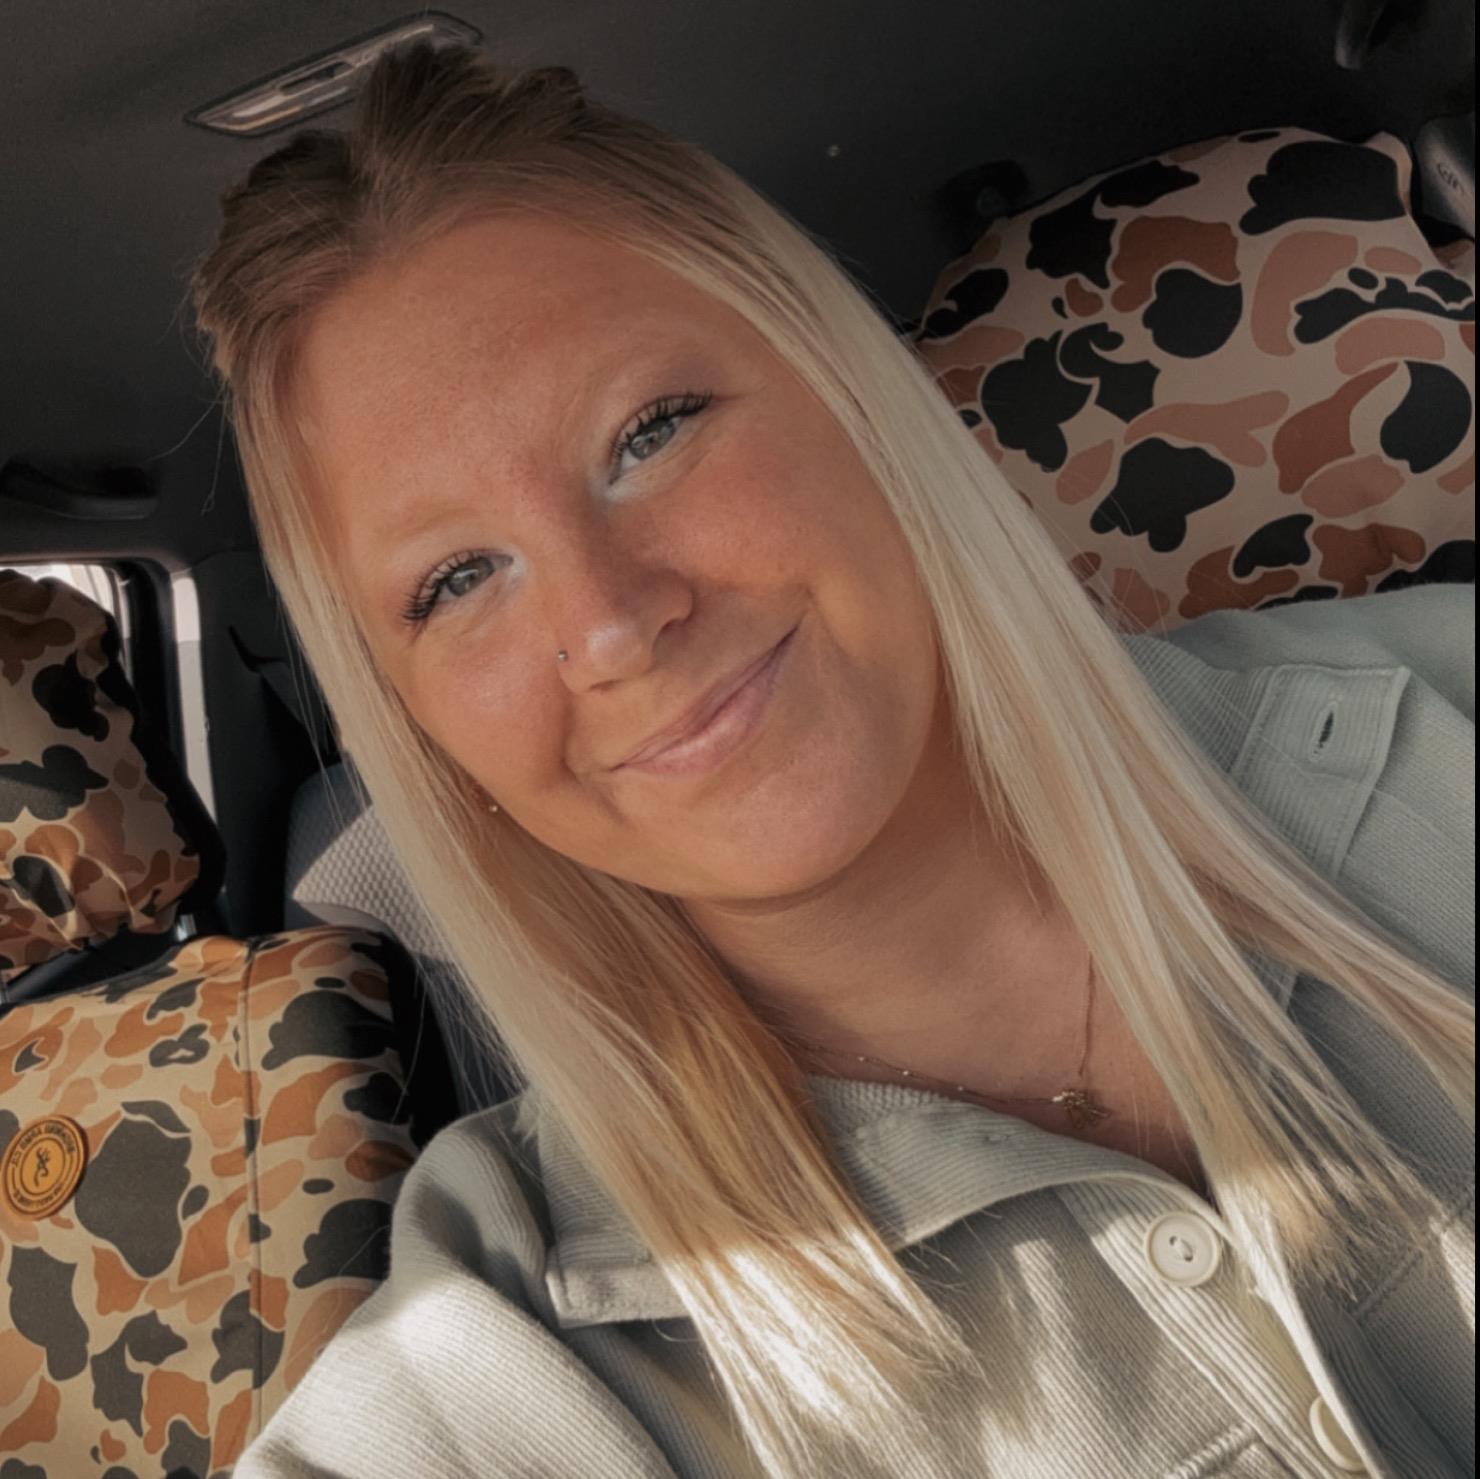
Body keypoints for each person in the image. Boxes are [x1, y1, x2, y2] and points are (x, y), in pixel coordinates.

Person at [191, 42, 1475, 1479]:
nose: (609, 625)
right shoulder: (522, 1329)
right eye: (454, 581)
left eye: (650, 433)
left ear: (855, 394)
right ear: (419, 724)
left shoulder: (1449, 704)